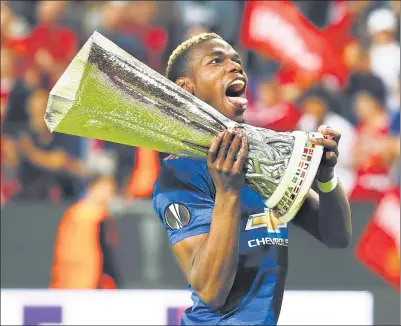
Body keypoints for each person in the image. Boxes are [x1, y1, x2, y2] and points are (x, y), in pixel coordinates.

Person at [153, 33, 352, 325]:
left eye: (236, 60)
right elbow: (210, 290)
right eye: (216, 61)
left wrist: (326, 178)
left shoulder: (262, 158)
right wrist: (229, 194)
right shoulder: (181, 172)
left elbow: (336, 236)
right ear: (187, 89)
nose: (235, 67)